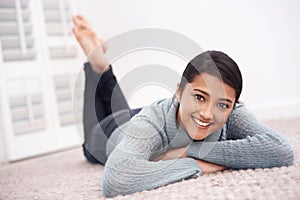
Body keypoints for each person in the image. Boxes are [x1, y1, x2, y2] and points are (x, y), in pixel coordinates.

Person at [72, 15, 294, 198]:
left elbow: (279, 149)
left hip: (141, 119)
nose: (208, 114)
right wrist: (196, 164)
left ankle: (101, 63)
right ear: (179, 91)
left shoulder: (231, 110)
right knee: (90, 140)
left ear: (235, 105)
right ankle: (97, 62)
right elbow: (117, 179)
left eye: (223, 104)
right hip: (109, 133)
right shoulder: (150, 121)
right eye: (199, 97)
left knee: (130, 117)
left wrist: (189, 151)